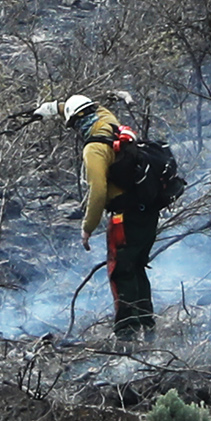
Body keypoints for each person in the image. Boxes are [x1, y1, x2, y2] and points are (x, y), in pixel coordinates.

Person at [49, 94, 163, 341]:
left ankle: (127, 335)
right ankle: (149, 328)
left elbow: (98, 191)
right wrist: (51, 108)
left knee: (120, 272)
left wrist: (88, 227)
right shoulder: (107, 119)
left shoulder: (94, 149)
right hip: (147, 213)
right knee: (136, 268)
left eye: (73, 124)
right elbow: (90, 105)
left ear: (79, 120)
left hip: (124, 217)